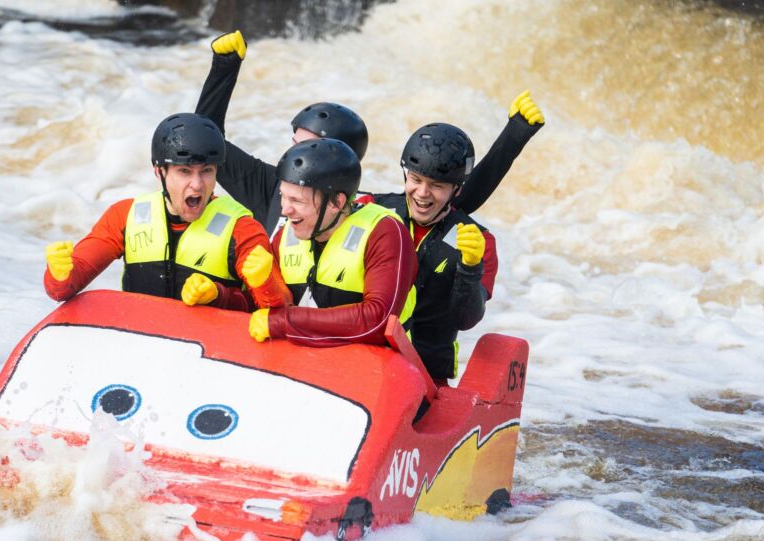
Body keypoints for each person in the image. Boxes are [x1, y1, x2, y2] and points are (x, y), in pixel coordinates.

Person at [195, 30, 544, 236]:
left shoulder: (364, 206)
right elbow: (203, 146)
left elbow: (452, 201)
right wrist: (224, 69)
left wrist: (514, 136)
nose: (295, 160)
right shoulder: (271, 186)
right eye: (295, 148)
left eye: (311, 149)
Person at [43, 113, 291, 311]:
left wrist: (224, 295)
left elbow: (278, 309)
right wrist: (60, 275)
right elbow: (61, 291)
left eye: (207, 171)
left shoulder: (243, 229)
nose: (197, 184)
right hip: (143, 348)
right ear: (159, 171)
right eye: (184, 171)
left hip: (212, 357)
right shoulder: (124, 216)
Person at [247, 139, 417, 347]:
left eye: (297, 201)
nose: (284, 210)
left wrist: (286, 322)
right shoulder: (285, 235)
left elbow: (378, 321)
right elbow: (267, 313)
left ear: (337, 202)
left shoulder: (385, 233)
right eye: (283, 197)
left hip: (377, 370)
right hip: (309, 365)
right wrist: (222, 293)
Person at [360, 124, 498, 381]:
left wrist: (469, 268)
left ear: (457, 190)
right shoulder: (371, 208)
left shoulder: (480, 241)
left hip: (424, 376)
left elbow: (466, 320)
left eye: (436, 185)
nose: (422, 193)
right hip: (362, 357)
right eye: (416, 180)